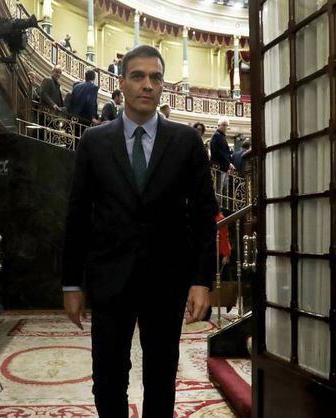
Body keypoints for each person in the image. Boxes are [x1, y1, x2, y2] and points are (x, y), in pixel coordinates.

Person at [62, 45, 217, 417]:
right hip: (109, 278)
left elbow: (202, 216)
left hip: (166, 279)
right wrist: (71, 284)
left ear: (162, 85)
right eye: (138, 76)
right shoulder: (94, 142)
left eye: (155, 77)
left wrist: (201, 280)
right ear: (122, 83)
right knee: (108, 377)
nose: (147, 85)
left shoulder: (186, 141)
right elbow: (78, 216)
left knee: (161, 377)